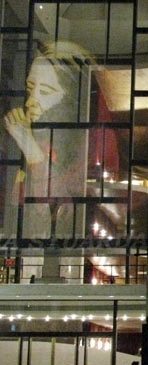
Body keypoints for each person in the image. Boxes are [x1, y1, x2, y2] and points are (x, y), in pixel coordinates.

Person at [3, 41, 94, 239]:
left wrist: (29, 148)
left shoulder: (81, 145)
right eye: (30, 89)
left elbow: (51, 208)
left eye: (45, 92)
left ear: (70, 99)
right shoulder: (26, 131)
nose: (30, 101)